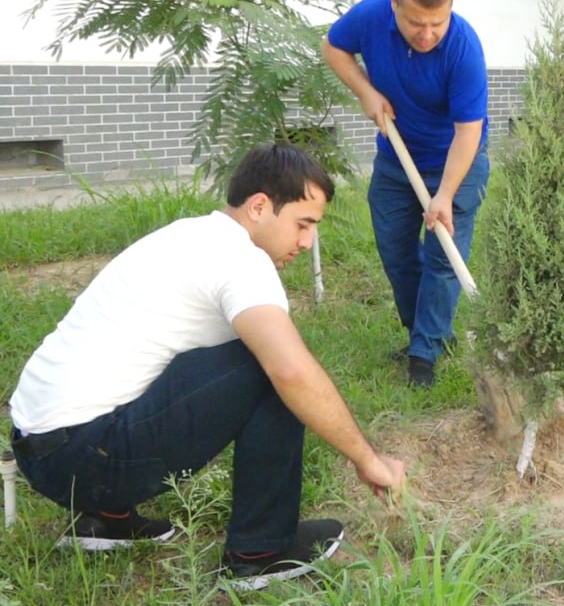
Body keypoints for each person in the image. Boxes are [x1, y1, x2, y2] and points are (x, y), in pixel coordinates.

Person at [6, 143, 407, 590]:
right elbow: (291, 372)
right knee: (270, 369)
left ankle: (108, 520)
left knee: (203, 354)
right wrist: (367, 458)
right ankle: (261, 553)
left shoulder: (187, 234)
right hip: (84, 461)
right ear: (259, 206)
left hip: (38, 448)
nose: (307, 241)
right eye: (303, 223)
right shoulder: (241, 263)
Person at [322, 0, 489, 388]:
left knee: (442, 259)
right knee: (396, 253)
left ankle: (424, 354)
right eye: (417, 22)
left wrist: (445, 194)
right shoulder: (371, 17)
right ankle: (428, 334)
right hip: (397, 159)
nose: (428, 33)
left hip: (455, 160)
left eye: (438, 22)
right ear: (394, 3)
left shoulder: (464, 48)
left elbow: (468, 132)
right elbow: (333, 46)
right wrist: (367, 92)